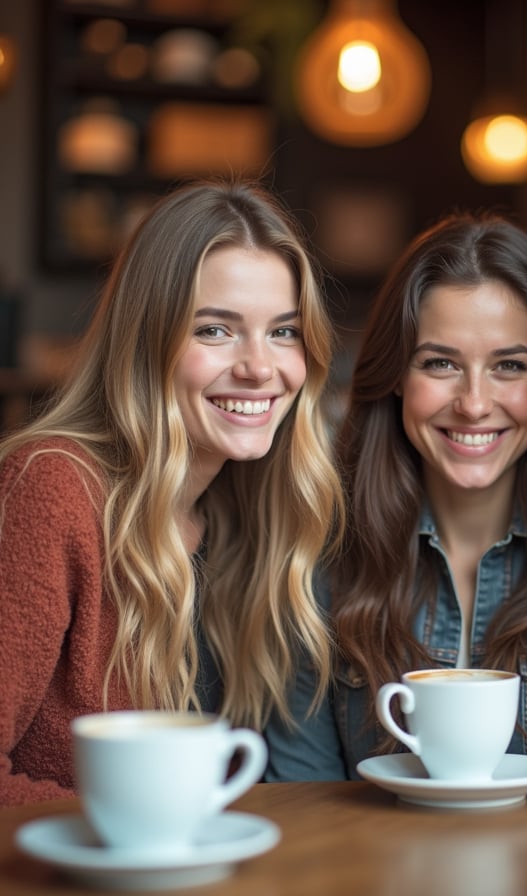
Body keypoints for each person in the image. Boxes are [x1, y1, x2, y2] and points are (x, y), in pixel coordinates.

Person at [0, 180, 343, 805]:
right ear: (146, 340)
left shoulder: (244, 513)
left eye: (284, 332)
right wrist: (133, 831)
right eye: (215, 331)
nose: (259, 367)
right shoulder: (52, 488)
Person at [265, 212, 527, 780]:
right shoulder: (318, 561)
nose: (474, 403)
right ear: (397, 375)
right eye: (440, 364)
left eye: (509, 365)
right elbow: (304, 803)